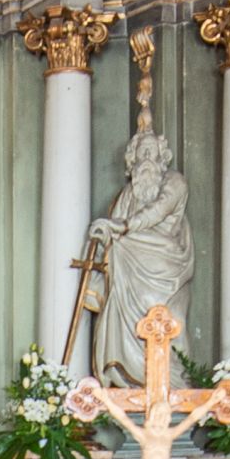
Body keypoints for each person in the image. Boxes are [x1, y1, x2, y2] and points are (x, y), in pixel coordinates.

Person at [85, 130, 193, 381]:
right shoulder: (127, 194)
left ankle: (173, 381)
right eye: (141, 152)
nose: (146, 157)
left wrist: (122, 227)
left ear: (161, 157)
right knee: (115, 252)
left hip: (166, 264)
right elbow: (113, 231)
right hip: (128, 266)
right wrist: (103, 237)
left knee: (168, 324)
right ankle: (125, 376)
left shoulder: (175, 182)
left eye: (151, 151)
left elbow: (158, 210)